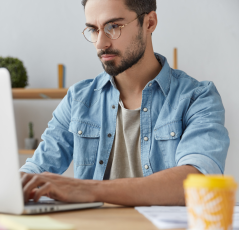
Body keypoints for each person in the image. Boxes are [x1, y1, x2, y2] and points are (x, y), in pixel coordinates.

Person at [20, 0, 229, 206]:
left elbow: (198, 181)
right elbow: (36, 169)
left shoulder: (198, 97)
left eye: (113, 27)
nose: (101, 43)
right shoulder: (78, 99)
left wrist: (87, 189)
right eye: (93, 30)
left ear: (149, 23)